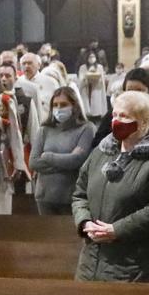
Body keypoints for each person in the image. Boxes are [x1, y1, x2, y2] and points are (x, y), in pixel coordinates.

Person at [72, 91, 149, 283]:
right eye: (115, 114)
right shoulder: (100, 153)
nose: (116, 120)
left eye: (125, 116)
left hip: (134, 265)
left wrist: (116, 230)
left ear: (144, 122)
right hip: (90, 261)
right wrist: (85, 222)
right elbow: (80, 194)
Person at [30, 85, 97, 215]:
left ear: (74, 105)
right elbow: (33, 162)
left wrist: (47, 157)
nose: (59, 108)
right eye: (55, 105)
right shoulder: (44, 129)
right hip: (44, 197)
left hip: (72, 197)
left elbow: (78, 160)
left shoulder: (87, 128)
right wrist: (66, 162)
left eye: (63, 104)